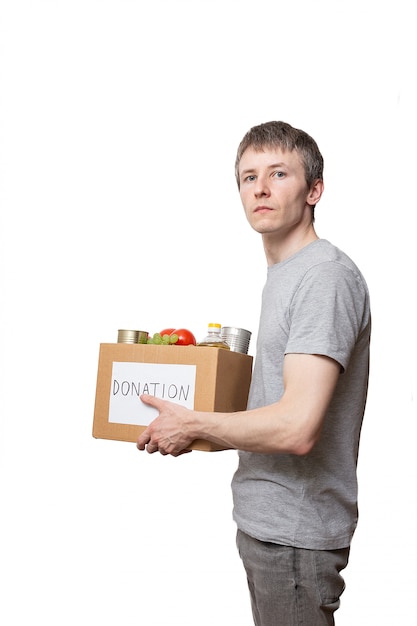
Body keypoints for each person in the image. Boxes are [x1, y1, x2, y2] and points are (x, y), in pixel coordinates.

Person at [137, 121, 371, 626]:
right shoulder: (287, 275)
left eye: (278, 173)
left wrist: (195, 424)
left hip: (296, 535)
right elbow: (270, 412)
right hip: (269, 527)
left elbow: (297, 427)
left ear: (315, 190)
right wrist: (182, 423)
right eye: (248, 177)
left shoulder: (323, 277)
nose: (260, 188)